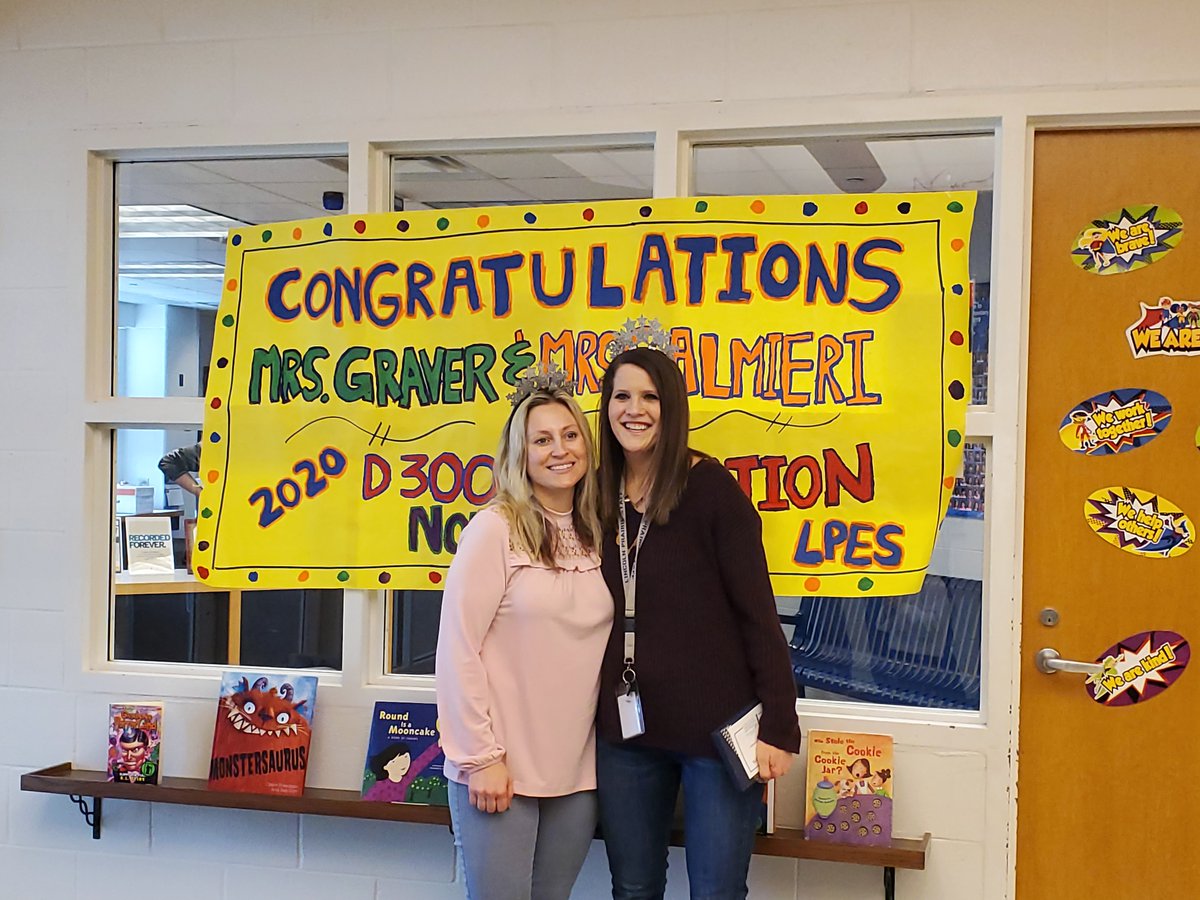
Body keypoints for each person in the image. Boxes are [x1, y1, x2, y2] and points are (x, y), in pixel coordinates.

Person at [594, 337, 802, 900]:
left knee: (716, 890)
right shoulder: (595, 494)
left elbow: (758, 615)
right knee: (633, 888)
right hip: (627, 732)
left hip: (715, 734)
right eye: (620, 396)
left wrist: (780, 725)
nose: (633, 410)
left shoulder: (712, 493)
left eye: (649, 397)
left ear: (672, 409)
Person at [435, 370, 613, 900]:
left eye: (570, 434)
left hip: (576, 774)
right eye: (542, 439)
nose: (560, 450)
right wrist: (480, 758)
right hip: (499, 771)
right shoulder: (493, 530)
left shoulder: (599, 531)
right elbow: (457, 650)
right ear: (521, 454)